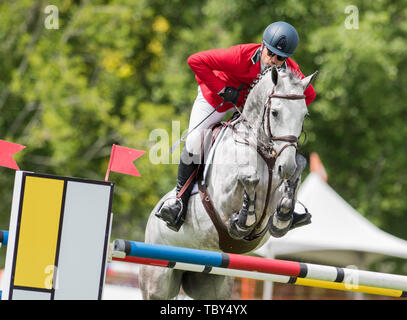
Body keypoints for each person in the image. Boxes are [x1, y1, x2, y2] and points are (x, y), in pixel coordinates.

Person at [156, 21, 316, 231]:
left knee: (279, 148)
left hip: (251, 110)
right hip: (216, 100)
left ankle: (286, 204)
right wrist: (222, 88)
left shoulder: (289, 71)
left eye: (280, 58)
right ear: (262, 45)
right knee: (196, 141)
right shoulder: (239, 56)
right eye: (271, 53)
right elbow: (195, 61)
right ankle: (178, 200)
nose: (274, 61)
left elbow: (309, 94)